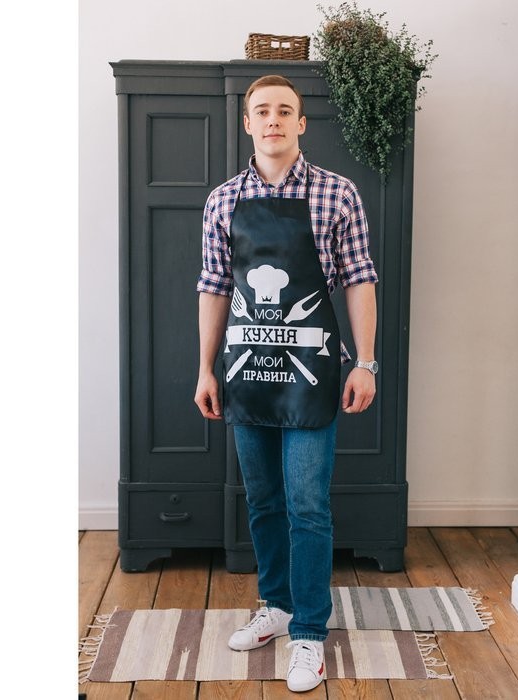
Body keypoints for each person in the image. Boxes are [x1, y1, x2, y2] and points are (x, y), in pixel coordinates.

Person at [193, 74, 379, 693]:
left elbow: (359, 278)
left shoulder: (336, 193)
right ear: (247, 122)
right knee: (265, 501)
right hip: (246, 372)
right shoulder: (222, 200)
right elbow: (214, 287)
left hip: (310, 373)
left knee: (307, 504)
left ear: (301, 123)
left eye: (284, 111)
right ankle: (275, 606)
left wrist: (366, 362)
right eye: (261, 111)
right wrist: (205, 369)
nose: (272, 119)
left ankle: (309, 633)